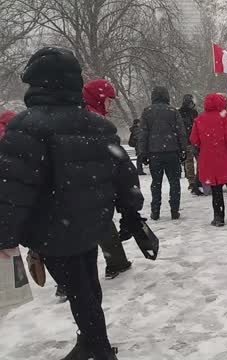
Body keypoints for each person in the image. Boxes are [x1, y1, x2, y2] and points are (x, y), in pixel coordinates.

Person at [0, 47, 144, 360]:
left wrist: (5, 234)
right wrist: (131, 211)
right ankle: (93, 342)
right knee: (86, 286)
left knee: (80, 290)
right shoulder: (96, 124)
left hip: (51, 229)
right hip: (89, 224)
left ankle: (98, 348)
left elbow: (14, 188)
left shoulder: (26, 127)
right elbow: (124, 172)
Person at [83, 79, 134, 280]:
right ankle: (115, 263)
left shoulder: (79, 115)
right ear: (100, 99)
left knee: (83, 225)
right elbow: (113, 158)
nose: (110, 105)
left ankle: (69, 280)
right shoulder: (93, 120)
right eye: (109, 100)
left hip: (78, 185)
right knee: (100, 223)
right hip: (92, 183)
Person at [190, 93, 227, 227]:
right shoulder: (223, 119)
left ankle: (219, 217)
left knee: (216, 191)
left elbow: (194, 140)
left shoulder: (199, 120)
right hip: (225, 159)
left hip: (208, 160)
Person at [138, 86, 188, 220]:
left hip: (155, 152)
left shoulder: (147, 112)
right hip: (172, 151)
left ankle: (155, 210)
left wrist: (142, 153)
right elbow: (181, 132)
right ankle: (174, 209)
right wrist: (183, 148)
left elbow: (143, 133)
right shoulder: (173, 111)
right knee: (174, 182)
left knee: (156, 182)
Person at [179, 94, 203, 196]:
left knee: (192, 162)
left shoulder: (182, 113)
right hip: (190, 139)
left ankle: (194, 181)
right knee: (192, 161)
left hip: (190, 139)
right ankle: (194, 181)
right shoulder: (190, 112)